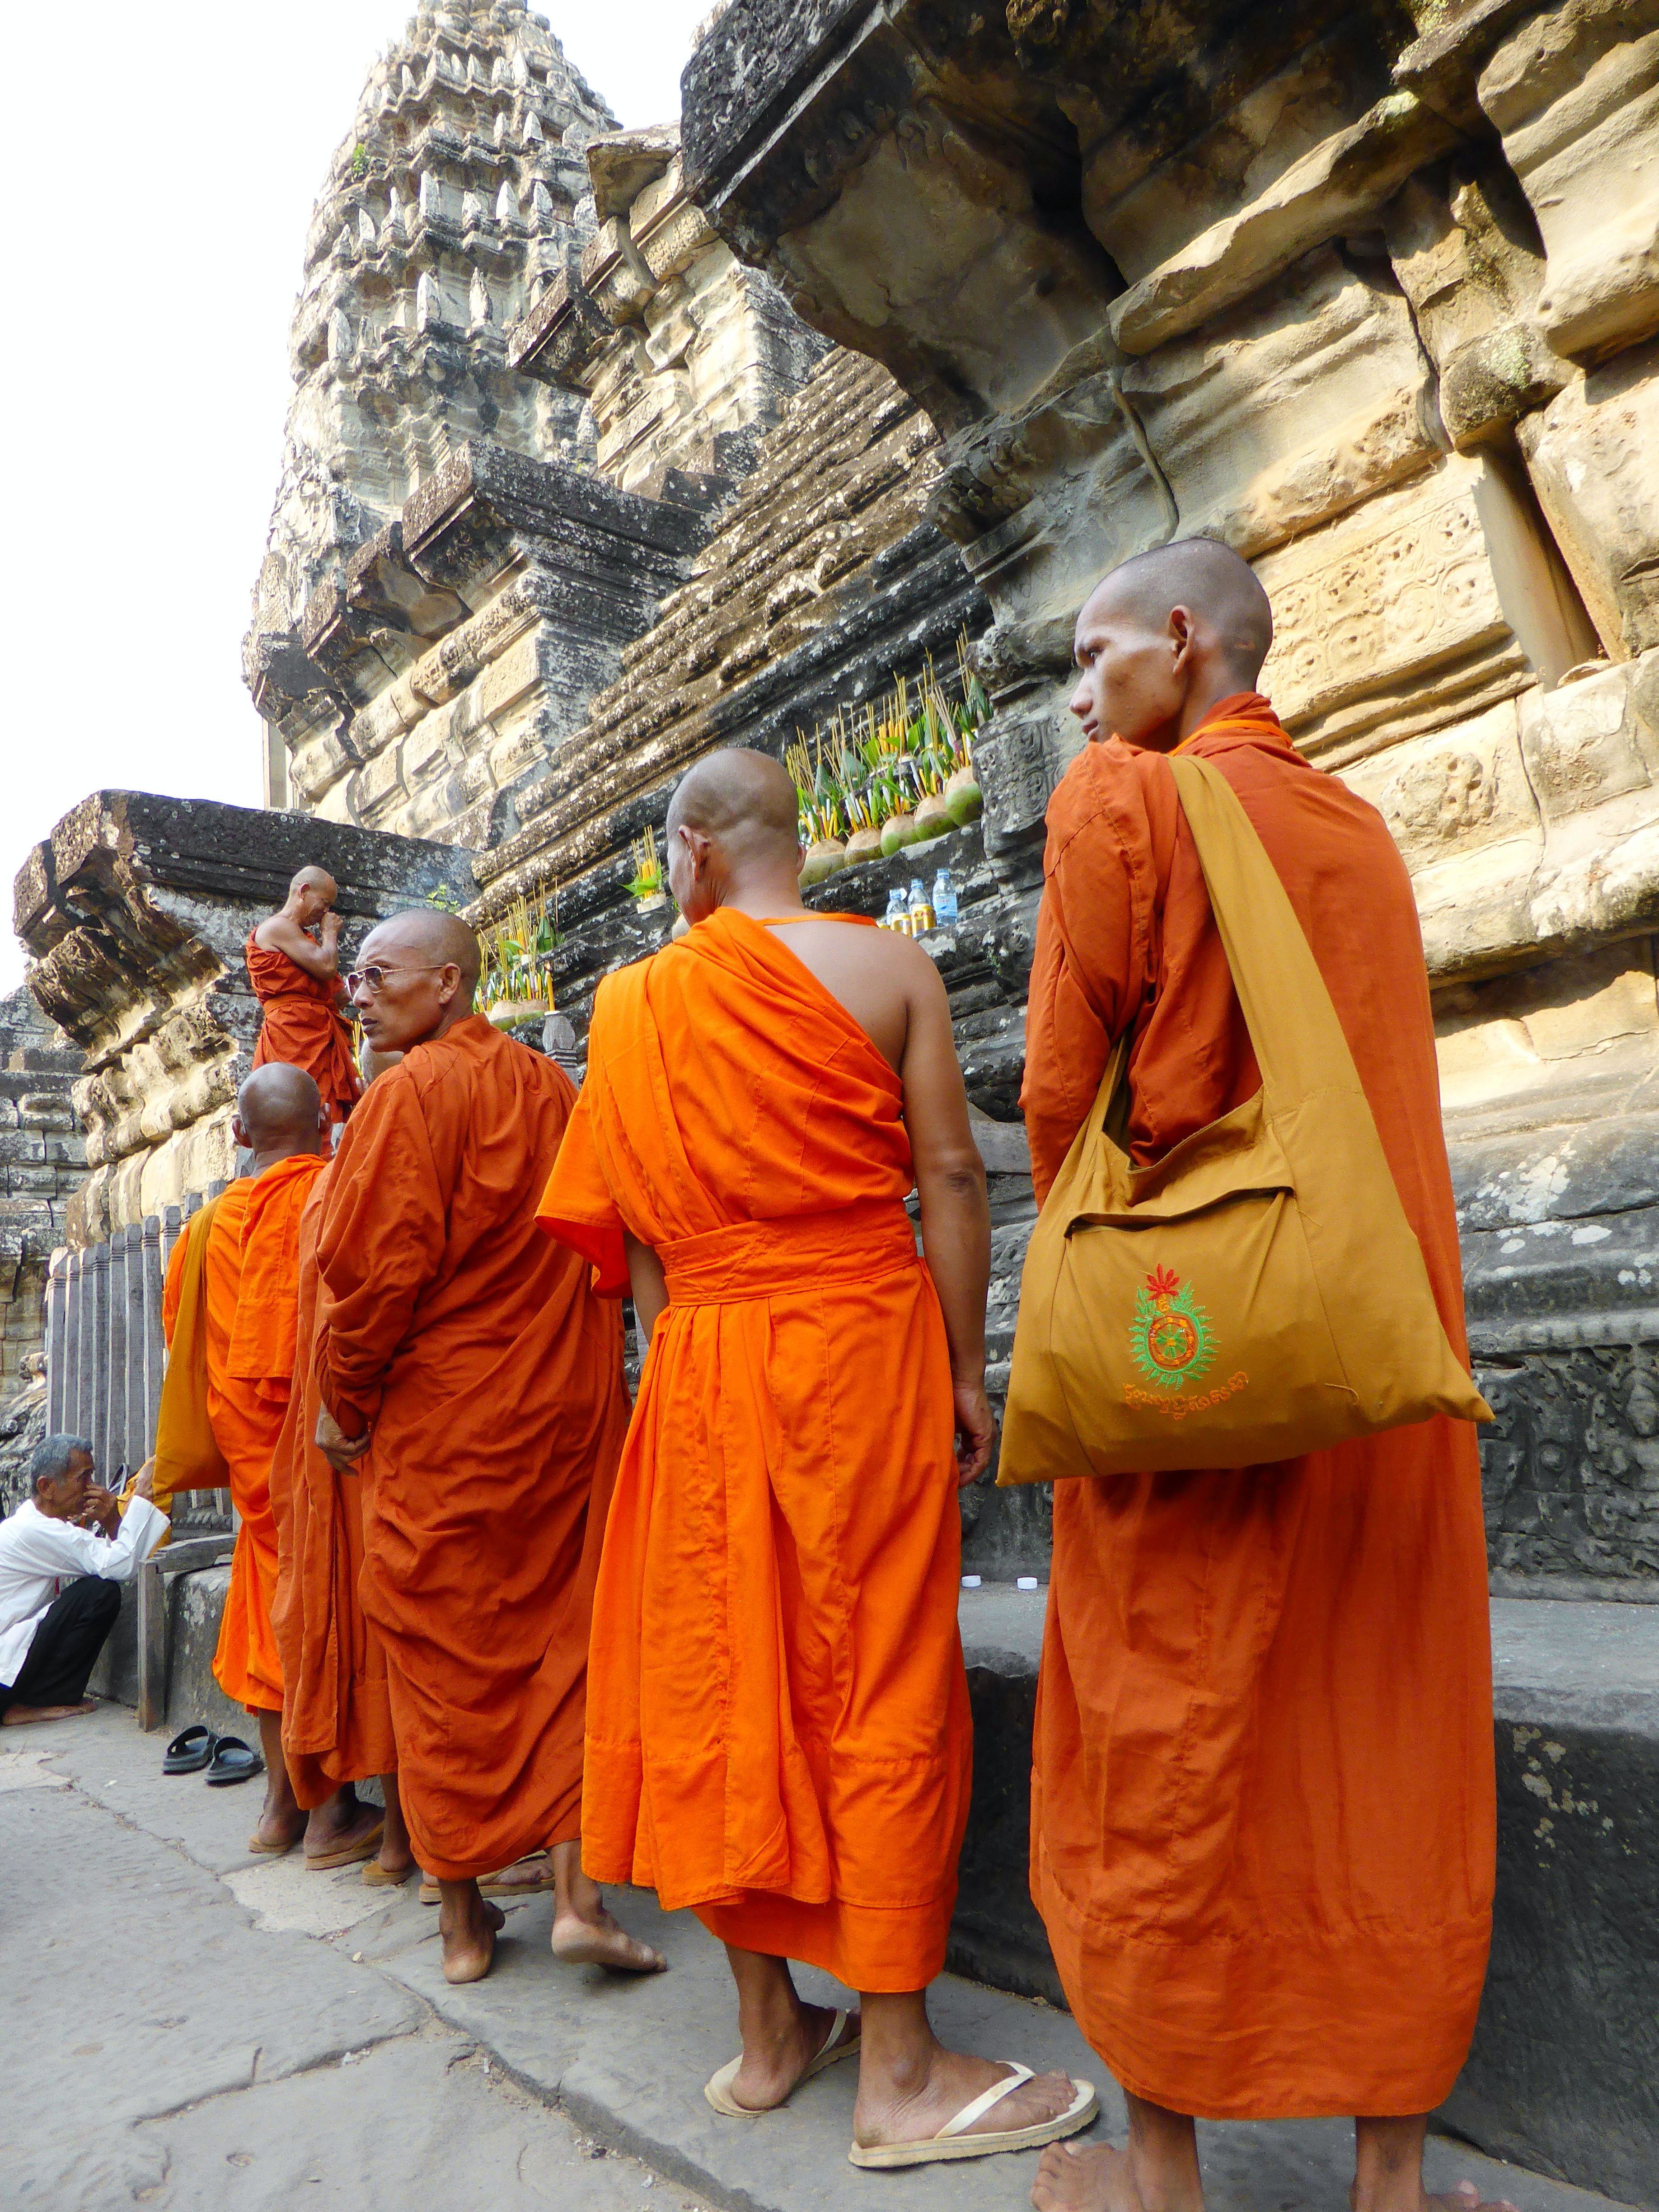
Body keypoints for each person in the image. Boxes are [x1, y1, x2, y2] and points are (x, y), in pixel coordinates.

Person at [1018, 540, 1503, 2212]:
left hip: (1192, 1371)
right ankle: (1388, 2186)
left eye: (1090, 658)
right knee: (1372, 1733)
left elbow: (1057, 1097)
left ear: (1177, 642)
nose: (1078, 698)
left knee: (1165, 1728)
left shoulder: (1120, 806)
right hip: (1370, 1372)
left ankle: (1159, 2176)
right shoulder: (1359, 835)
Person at [535, 749, 1095, 2169]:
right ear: (792, 840)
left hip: (705, 1367)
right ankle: (896, 2067)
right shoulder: (884, 964)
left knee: (730, 1675)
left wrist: (686, 1371)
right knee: (876, 1673)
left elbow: (639, 1243)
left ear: (689, 854)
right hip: (858, 1351)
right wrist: (964, 1371)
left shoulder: (630, 1004)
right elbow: (955, 1177)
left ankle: (773, 2032)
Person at [310, 909, 661, 1984]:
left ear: (449, 982)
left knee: (439, 1653)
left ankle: (463, 1924)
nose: (356, 991)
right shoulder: (553, 1087)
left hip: (445, 1423)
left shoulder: (409, 1093)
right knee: (565, 1640)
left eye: (379, 973)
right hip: (556, 1409)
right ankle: (576, 1897)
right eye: (355, 975)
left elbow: (372, 1277)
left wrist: (346, 1401)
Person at [158, 1064, 380, 1864]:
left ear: (239, 1134)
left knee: (268, 1620)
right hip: (329, 1457)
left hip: (255, 1473)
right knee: (328, 1617)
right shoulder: (335, 1197)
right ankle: (333, 1815)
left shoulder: (204, 1231)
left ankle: (279, 1811)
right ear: (327, 1124)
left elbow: (184, 1344)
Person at [269, 1049, 414, 1886]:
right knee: (404, 1632)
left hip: (326, 1441)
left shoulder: (315, 1191)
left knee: (366, 1624)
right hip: (374, 1437)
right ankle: (419, 1845)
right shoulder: (354, 1183)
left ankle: (363, 1831)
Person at [0, 1440, 167, 1725]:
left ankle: (29, 1700)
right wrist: (141, 1496)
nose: (91, 1487)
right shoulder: (34, 1530)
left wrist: (114, 1518)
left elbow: (107, 1557)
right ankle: (33, 1703)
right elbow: (120, 1565)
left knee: (97, 1586)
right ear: (47, 1488)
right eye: (83, 1478)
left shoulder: (42, 1525)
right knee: (99, 1592)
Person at [247, 867, 362, 1132]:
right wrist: (330, 933)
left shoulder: (301, 937)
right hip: (291, 1035)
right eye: (325, 903)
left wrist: (355, 989)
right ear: (304, 891)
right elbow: (325, 967)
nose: (327, 912)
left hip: (317, 1031)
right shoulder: (278, 927)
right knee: (302, 1103)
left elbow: (327, 999)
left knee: (328, 1108)